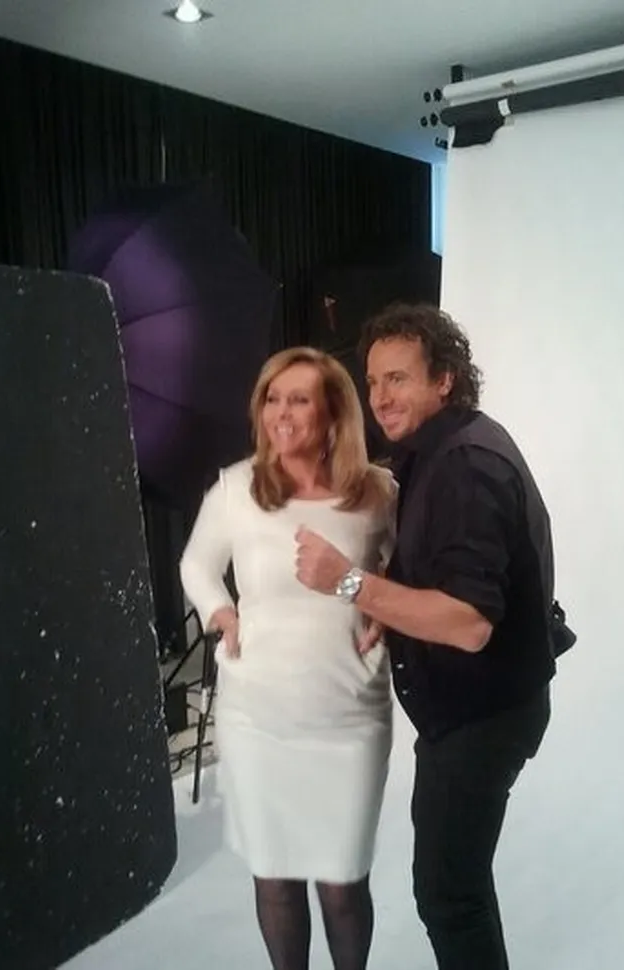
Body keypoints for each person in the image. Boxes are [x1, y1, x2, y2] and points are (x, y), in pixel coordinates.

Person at [295, 303, 556, 970]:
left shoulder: (464, 465)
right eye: (373, 380)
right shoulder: (442, 449)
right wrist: (391, 601)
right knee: (460, 886)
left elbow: (469, 623)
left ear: (444, 379)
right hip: (479, 710)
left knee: (448, 897)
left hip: (480, 720)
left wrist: (348, 582)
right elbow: (443, 568)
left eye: (399, 379)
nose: (380, 397)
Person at [179, 346, 396, 970]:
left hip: (349, 715)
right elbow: (196, 564)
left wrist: (384, 601)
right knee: (274, 879)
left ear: (333, 413)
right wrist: (222, 613)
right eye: (272, 399)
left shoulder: (377, 492)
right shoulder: (236, 488)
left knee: (343, 884)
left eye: (299, 399)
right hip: (258, 717)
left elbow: (404, 563)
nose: (281, 413)